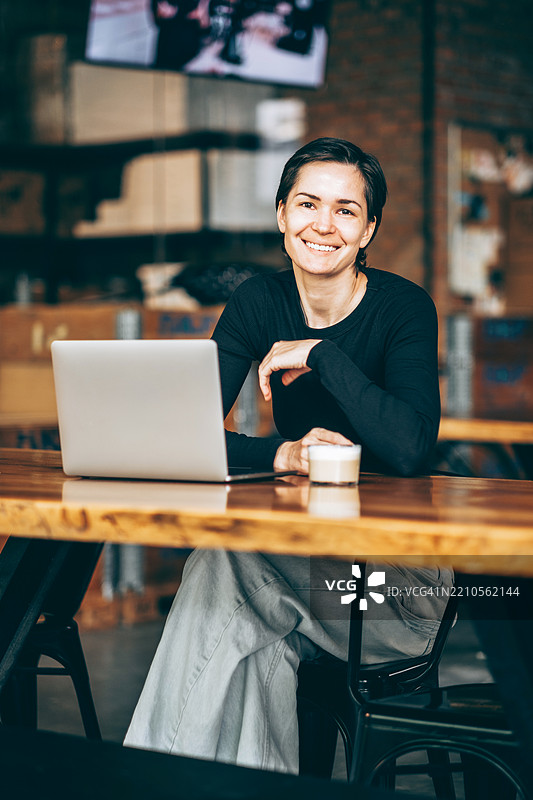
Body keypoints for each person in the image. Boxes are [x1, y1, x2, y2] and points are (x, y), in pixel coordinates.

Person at [124, 137, 452, 773]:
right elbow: (181, 434)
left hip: (394, 589)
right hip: (295, 567)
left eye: (346, 211)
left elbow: (411, 448)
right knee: (248, 614)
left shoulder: (404, 307)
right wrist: (280, 455)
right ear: (280, 214)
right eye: (307, 204)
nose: (323, 225)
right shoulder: (258, 302)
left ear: (369, 228)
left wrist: (322, 356)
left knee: (227, 565)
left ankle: (147, 780)